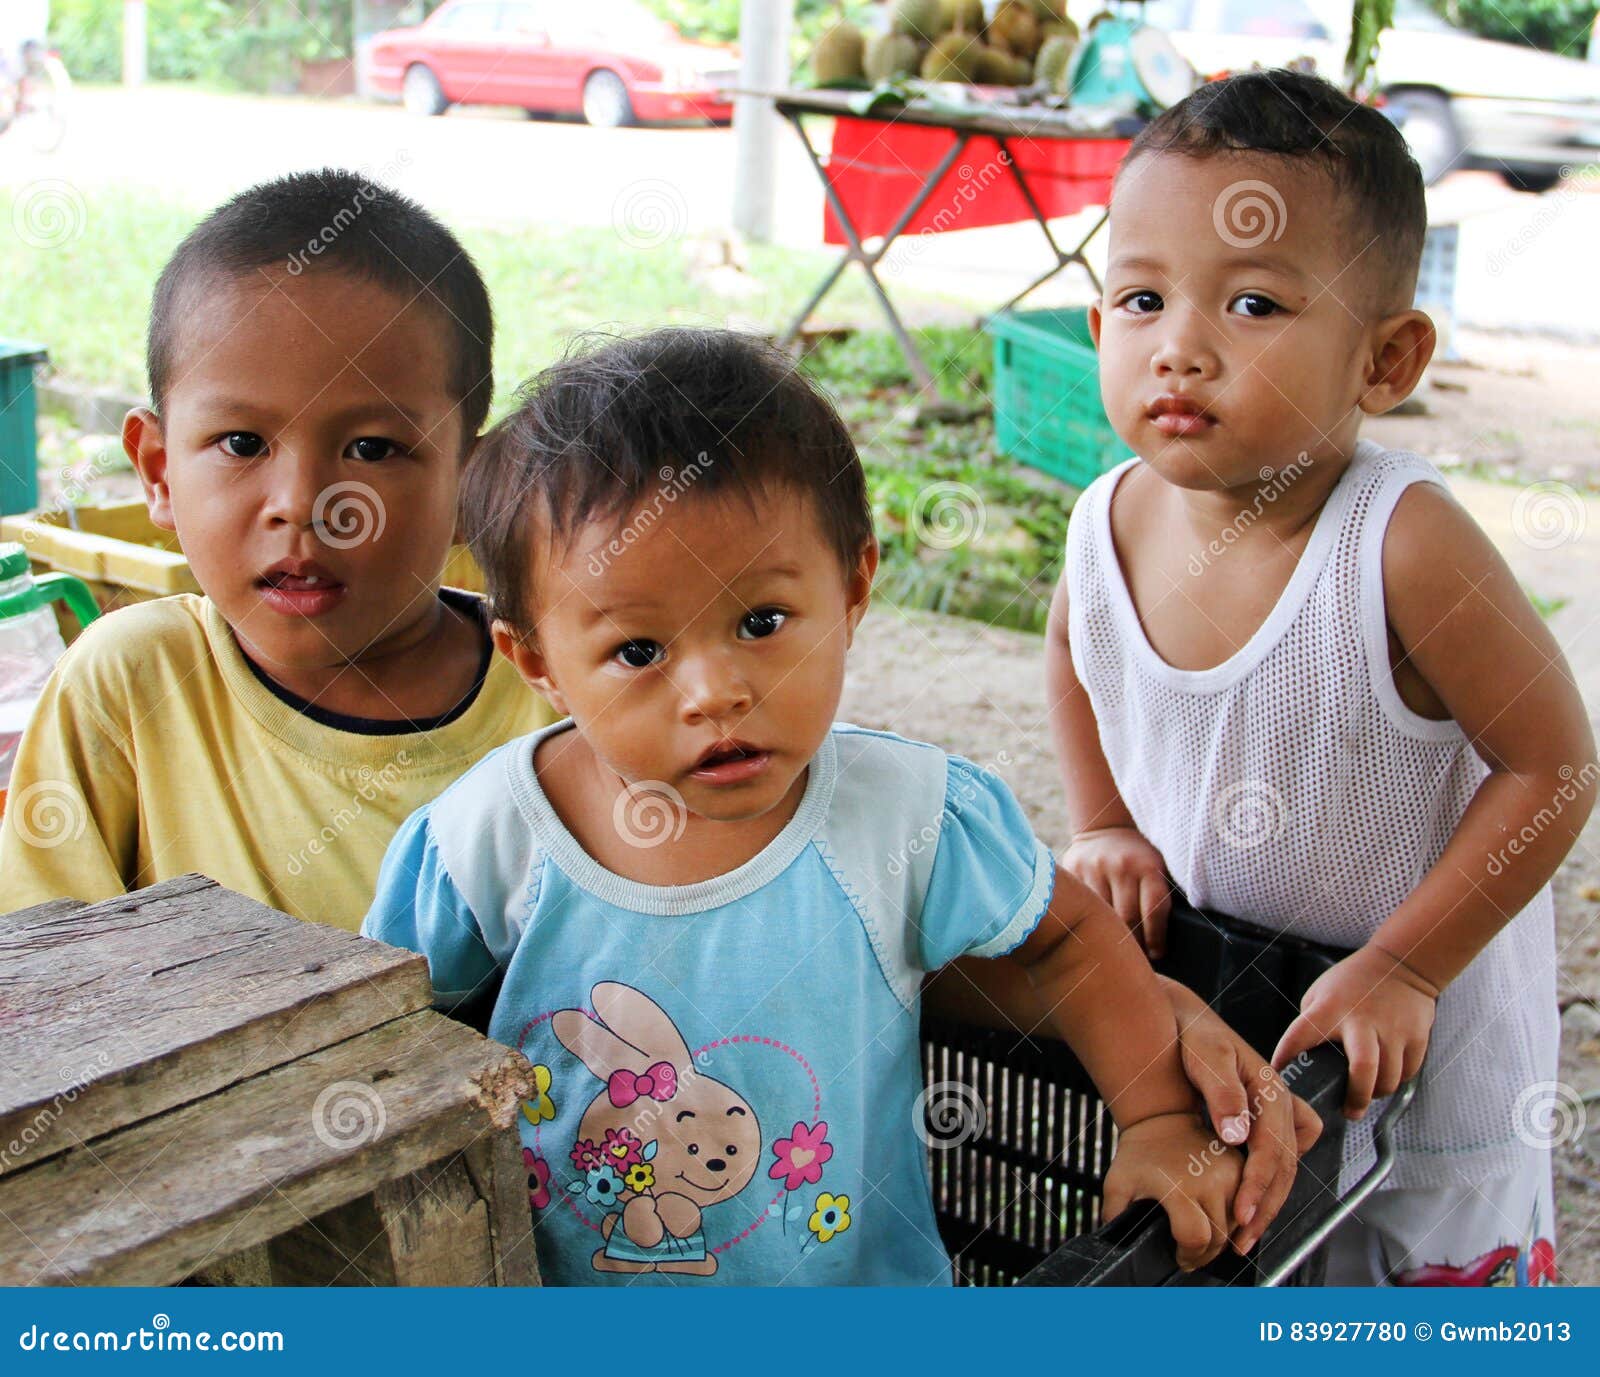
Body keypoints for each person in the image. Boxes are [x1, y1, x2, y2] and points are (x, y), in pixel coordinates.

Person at [362, 327, 1256, 1285]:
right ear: (537, 662)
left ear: (854, 587)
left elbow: (1069, 938)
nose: (714, 691)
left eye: (762, 623)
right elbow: (384, 1037)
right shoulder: (486, 839)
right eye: (637, 651)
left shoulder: (905, 814)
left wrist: (1158, 1118)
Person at [1050, 69, 1594, 1285]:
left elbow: (1552, 765)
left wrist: (1408, 963)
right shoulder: (1105, 522)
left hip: (1417, 1046)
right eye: (1140, 298)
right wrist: (1104, 824)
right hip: (1235, 1009)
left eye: (1250, 303)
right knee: (1257, 1258)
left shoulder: (1397, 541)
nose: (1178, 347)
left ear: (1385, 358)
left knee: (1408, 1293)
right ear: (1097, 329)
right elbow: (1073, 655)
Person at [0, 170, 557, 928]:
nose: (303, 502)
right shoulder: (132, 688)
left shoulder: (566, 696)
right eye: (241, 442)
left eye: (373, 447)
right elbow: (45, 982)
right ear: (159, 472)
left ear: (472, 483)